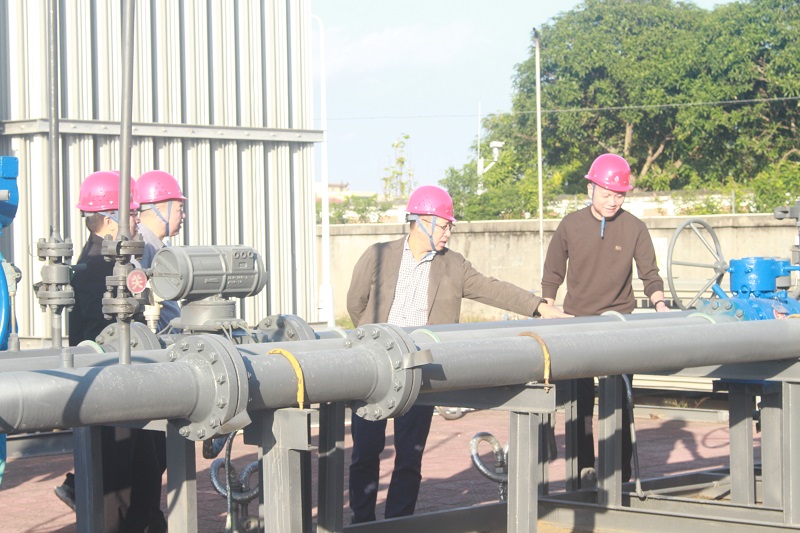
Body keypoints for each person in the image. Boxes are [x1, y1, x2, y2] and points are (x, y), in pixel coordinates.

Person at [346, 184, 571, 523]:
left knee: (409, 456)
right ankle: (362, 522)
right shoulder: (378, 256)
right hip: (374, 368)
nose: (448, 233)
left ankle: (397, 524)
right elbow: (356, 304)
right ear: (421, 221)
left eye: (450, 226)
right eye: (444, 225)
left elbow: (492, 288)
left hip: (419, 369)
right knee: (365, 452)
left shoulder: (453, 265)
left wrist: (539, 307)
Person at [540, 153, 670, 484]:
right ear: (591, 189)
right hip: (577, 324)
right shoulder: (570, 225)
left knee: (620, 403)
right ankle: (583, 471)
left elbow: (650, 274)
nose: (613, 201)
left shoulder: (634, 228)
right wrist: (547, 307)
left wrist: (660, 305)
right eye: (607, 194)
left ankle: (620, 473)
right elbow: (553, 271)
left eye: (619, 195)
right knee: (579, 404)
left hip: (618, 325)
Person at [55, 170, 148, 523]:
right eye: (132, 213)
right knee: (117, 487)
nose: (137, 220)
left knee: (138, 475)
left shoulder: (102, 262)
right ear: (110, 220)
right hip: (112, 387)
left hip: (116, 385)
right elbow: (102, 334)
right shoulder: (98, 267)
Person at [134, 169, 187, 331]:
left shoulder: (154, 245)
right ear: (159, 210)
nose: (183, 215)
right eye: (179, 209)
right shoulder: (142, 246)